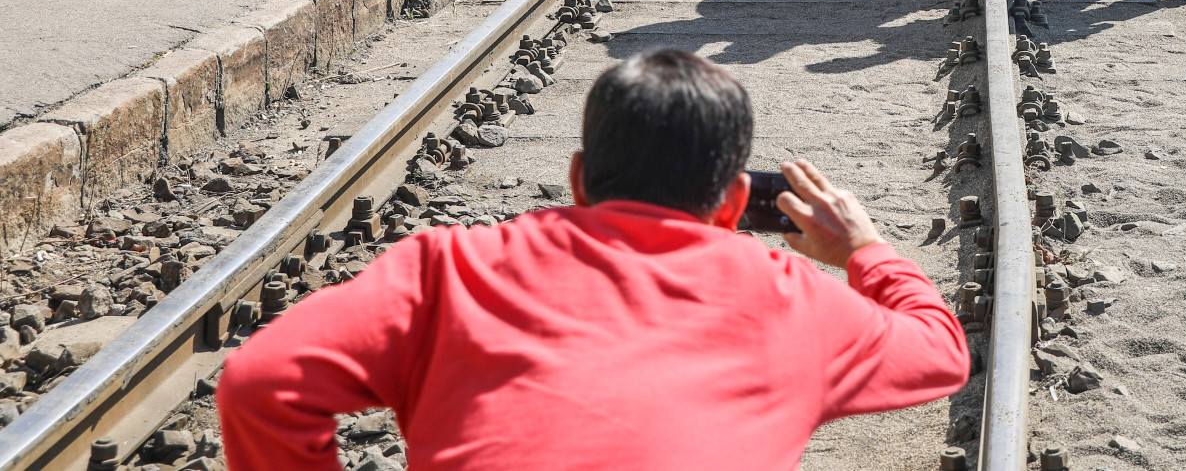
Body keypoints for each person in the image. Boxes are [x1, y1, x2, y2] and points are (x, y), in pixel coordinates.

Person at [216, 47, 967, 471]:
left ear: (578, 179)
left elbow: (259, 383)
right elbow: (941, 351)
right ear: (735, 205)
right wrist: (863, 248)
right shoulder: (787, 295)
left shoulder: (451, 266)